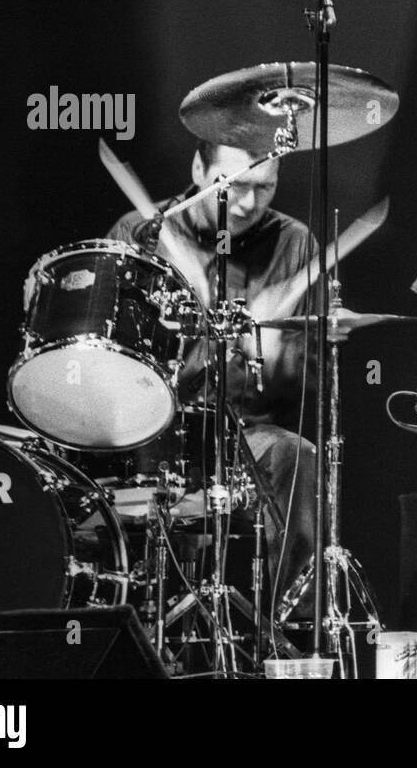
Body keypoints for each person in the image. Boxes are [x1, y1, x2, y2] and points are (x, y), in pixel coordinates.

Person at [107, 141, 317, 602]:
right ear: (199, 167)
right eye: (235, 186)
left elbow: (305, 381)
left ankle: (279, 630)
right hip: (153, 431)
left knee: (295, 456)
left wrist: (280, 352)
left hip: (243, 435)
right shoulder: (140, 230)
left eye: (265, 188)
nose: (249, 203)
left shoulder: (293, 241)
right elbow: (110, 355)